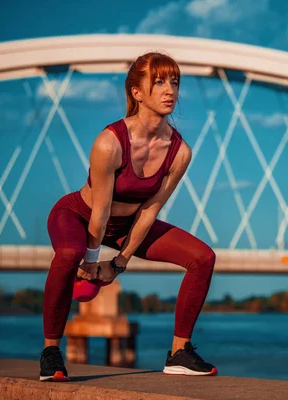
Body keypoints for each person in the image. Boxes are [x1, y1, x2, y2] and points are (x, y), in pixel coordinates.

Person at [39, 52, 218, 382]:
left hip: (128, 224)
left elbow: (151, 208)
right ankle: (51, 352)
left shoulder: (180, 151)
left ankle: (179, 352)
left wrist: (119, 263)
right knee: (69, 253)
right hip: (79, 215)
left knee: (203, 258)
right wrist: (92, 263)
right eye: (159, 82)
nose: (170, 91)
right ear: (137, 92)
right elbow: (101, 211)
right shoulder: (110, 142)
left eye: (175, 82)